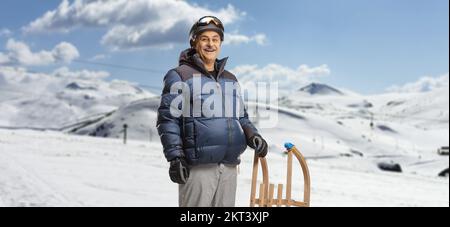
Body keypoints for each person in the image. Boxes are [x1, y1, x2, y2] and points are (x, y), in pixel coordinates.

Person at [157, 16, 268, 207]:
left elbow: (241, 116)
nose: (210, 44)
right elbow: (169, 119)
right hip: (198, 167)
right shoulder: (180, 75)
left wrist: (253, 135)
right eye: (204, 39)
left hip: (229, 165)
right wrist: (175, 157)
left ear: (221, 43)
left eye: (215, 39)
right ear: (194, 42)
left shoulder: (230, 79)